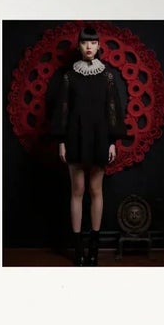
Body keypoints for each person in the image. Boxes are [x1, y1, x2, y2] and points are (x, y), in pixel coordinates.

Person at [47, 25, 129, 266]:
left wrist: (113, 142)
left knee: (96, 191)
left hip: (100, 138)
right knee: (77, 191)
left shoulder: (108, 76)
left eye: (93, 42)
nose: (89, 46)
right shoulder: (68, 75)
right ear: (79, 46)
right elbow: (62, 109)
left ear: (99, 45)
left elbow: (113, 110)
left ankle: (94, 247)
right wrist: (61, 141)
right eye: (85, 42)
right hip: (74, 136)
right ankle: (79, 249)